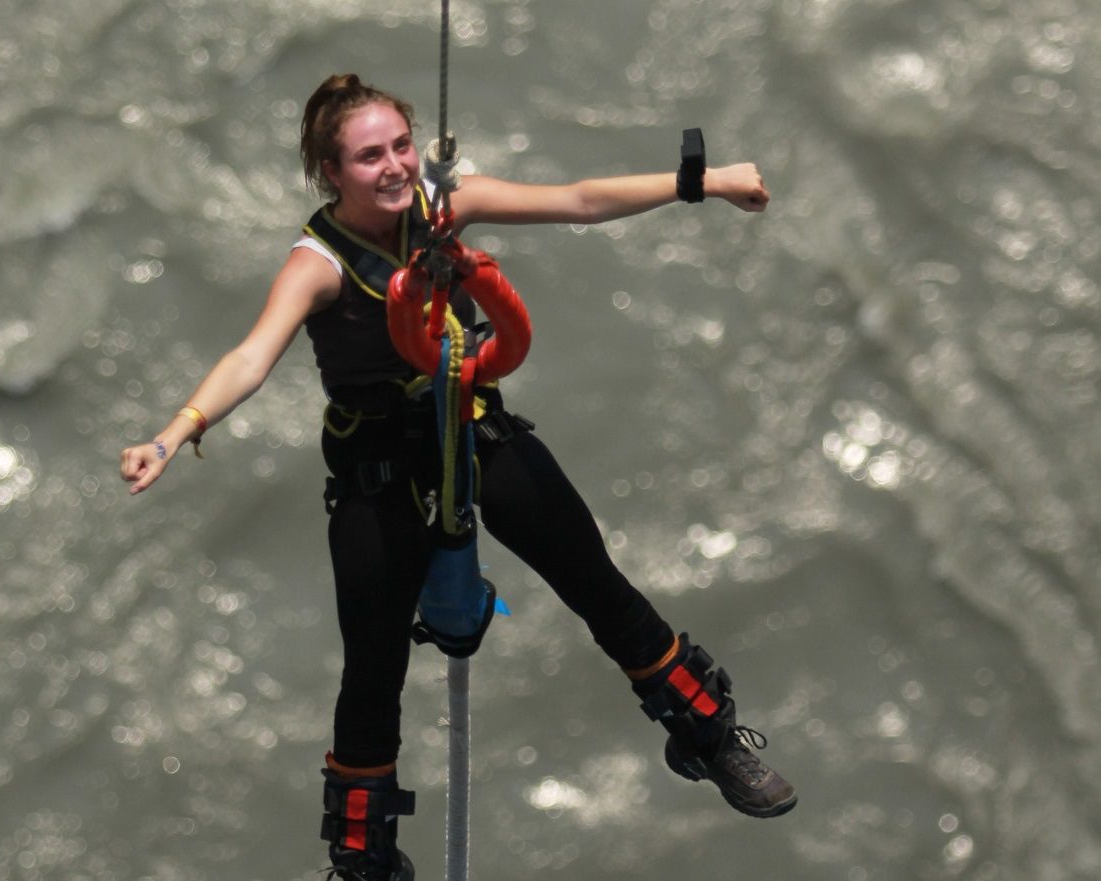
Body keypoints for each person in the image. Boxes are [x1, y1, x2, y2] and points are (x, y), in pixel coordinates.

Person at [121, 73, 794, 881]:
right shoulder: (319, 263)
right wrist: (173, 434)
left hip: (472, 429)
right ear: (331, 172)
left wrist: (704, 183)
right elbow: (251, 356)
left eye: (401, 146)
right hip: (379, 472)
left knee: (597, 582)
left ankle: (709, 736)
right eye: (370, 156)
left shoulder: (444, 210)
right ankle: (364, 857)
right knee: (373, 670)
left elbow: (577, 199)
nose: (396, 166)